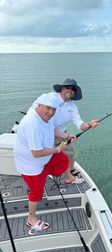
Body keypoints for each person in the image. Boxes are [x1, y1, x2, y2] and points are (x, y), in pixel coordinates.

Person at [14, 94, 75, 234]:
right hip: (31, 164)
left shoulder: (43, 116)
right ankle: (31, 218)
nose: (51, 112)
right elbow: (36, 153)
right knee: (37, 191)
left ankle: (69, 177)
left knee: (63, 160)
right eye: (48, 108)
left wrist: (66, 136)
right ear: (39, 105)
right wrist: (58, 149)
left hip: (44, 157)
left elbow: (51, 128)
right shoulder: (32, 124)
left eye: (53, 109)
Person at [32, 78, 99, 184]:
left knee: (71, 153)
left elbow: (80, 124)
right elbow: (37, 116)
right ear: (62, 88)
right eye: (68, 87)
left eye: (73, 89)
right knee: (50, 155)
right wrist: (66, 136)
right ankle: (59, 174)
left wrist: (90, 124)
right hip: (43, 130)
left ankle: (70, 171)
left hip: (60, 132)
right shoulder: (49, 98)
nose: (70, 90)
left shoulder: (72, 107)